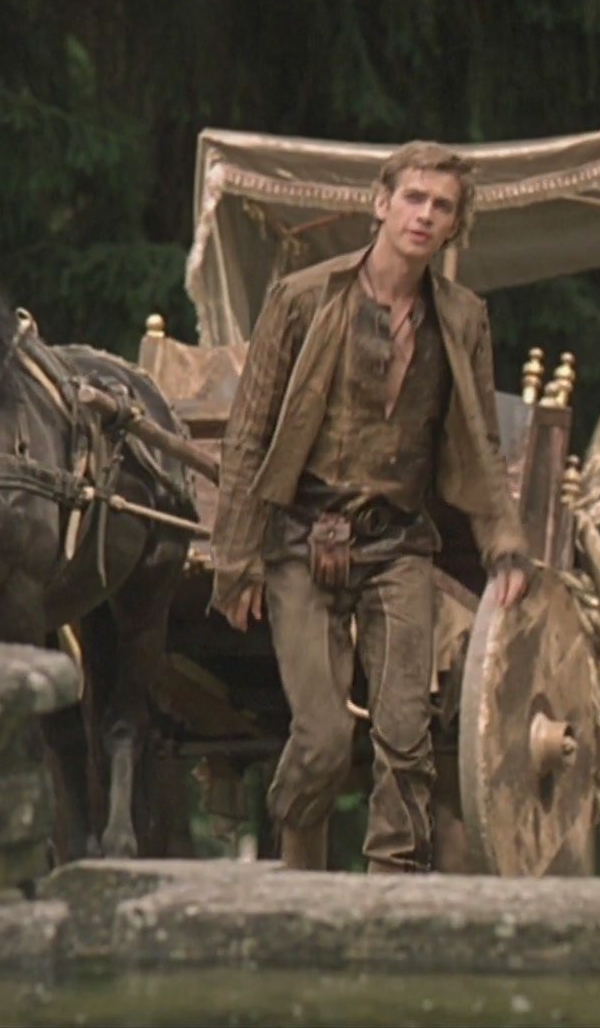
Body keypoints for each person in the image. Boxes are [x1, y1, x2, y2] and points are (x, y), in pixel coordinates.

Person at [211, 141, 530, 873]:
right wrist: (236, 559)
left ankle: (394, 888)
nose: (425, 215)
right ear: (382, 203)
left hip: (399, 543)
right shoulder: (303, 298)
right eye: (414, 198)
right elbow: (249, 434)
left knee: (407, 737)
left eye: (442, 206)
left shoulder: (462, 318)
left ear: (453, 226)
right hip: (301, 537)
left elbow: (480, 440)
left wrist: (505, 545)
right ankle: (300, 880)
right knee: (323, 739)